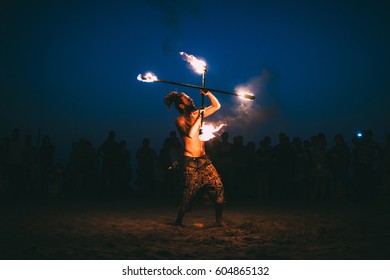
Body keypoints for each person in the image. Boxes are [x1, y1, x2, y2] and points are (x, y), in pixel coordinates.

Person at [164, 90, 225, 227]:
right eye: (187, 99)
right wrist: (200, 117)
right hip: (190, 161)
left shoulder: (198, 114)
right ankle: (179, 221)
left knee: (218, 186)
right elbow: (191, 134)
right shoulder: (179, 120)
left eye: (189, 98)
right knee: (188, 192)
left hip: (203, 159)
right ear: (181, 105)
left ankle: (219, 221)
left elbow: (216, 106)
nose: (191, 99)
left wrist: (208, 94)